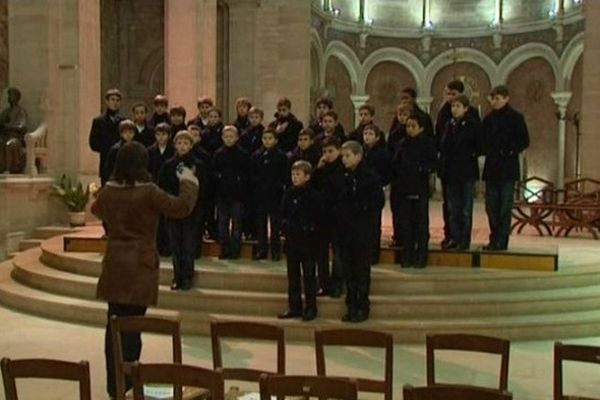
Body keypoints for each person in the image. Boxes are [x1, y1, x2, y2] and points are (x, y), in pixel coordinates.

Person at [90, 141, 198, 399]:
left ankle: (115, 386)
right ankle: (128, 386)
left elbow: (96, 209)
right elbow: (181, 207)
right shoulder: (148, 191)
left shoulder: (110, 190)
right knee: (132, 328)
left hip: (115, 262)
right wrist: (188, 180)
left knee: (113, 325)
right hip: (140, 264)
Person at [336, 140, 384, 323]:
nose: (344, 160)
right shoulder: (343, 176)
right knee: (348, 271)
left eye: (348, 156)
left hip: (363, 231)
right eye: (343, 157)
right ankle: (351, 306)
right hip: (345, 231)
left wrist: (359, 208)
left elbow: (377, 201)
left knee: (361, 271)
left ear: (358, 156)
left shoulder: (370, 177)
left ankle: (362, 306)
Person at [482, 85, 530, 251]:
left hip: (508, 169)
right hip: (492, 168)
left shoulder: (516, 118)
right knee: (491, 207)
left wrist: (509, 150)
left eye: (498, 98)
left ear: (506, 98)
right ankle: (493, 238)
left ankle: (502, 241)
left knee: (504, 208)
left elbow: (524, 140)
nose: (494, 102)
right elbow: (482, 141)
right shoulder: (488, 119)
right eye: (493, 98)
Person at [434, 79, 480, 248]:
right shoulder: (446, 119)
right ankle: (452, 236)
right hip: (450, 170)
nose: (452, 105)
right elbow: (440, 141)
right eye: (448, 95)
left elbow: (478, 143)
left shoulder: (473, 120)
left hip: (466, 170)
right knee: (452, 207)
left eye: (456, 102)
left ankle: (464, 240)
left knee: (465, 208)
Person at [158, 130, 205, 290]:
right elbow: (162, 188)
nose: (182, 146)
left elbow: (205, 188)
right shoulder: (168, 165)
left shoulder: (198, 165)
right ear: (175, 145)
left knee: (188, 245)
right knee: (175, 245)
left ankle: (187, 277)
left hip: (192, 212)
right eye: (179, 143)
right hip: (173, 210)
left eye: (186, 143)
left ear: (191, 145)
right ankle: (177, 277)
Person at [278, 160, 322, 321]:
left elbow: (318, 218)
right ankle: (294, 307)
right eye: (293, 174)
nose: (294, 177)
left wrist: (307, 227)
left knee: (309, 277)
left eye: (298, 174)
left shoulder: (314, 195)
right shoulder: (289, 193)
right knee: (293, 277)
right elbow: (283, 213)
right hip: (292, 242)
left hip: (308, 243)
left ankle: (311, 308)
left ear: (307, 176)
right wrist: (285, 226)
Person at [392, 113, 437, 268]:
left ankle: (421, 256)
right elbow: (395, 163)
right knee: (406, 223)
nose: (409, 129)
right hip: (404, 188)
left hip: (420, 187)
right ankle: (407, 255)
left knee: (420, 223)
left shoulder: (428, 144)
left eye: (413, 126)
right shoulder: (402, 143)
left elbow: (433, 163)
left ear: (421, 128)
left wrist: (420, 169)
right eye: (408, 126)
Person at [312, 136, 345, 298]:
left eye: (331, 151)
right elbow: (313, 188)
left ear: (339, 151)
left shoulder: (344, 169)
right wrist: (317, 169)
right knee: (321, 252)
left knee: (338, 252)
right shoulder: (321, 170)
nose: (327, 155)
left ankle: (338, 283)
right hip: (322, 216)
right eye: (325, 152)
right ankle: (323, 283)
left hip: (339, 216)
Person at [213, 125, 252, 259]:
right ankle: (224, 250)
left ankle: (235, 251)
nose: (229, 139)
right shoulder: (218, 154)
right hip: (222, 195)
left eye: (231, 136)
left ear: (236, 138)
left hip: (238, 196)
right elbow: (214, 174)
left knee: (237, 225)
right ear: (222, 138)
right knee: (222, 224)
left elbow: (247, 176)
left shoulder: (243, 155)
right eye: (226, 136)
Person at [252, 128, 288, 261]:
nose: (267, 141)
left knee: (275, 226)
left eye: (270, 138)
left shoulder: (281, 156)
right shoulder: (257, 155)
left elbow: (284, 176)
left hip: (275, 195)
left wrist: (278, 186)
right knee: (260, 225)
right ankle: (262, 250)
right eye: (265, 138)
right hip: (260, 195)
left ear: (276, 140)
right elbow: (253, 174)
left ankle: (276, 251)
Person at [362, 124, 392, 264]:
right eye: (365, 133)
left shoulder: (382, 153)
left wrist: (378, 182)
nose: (367, 137)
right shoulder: (361, 152)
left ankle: (374, 255)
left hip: (375, 192)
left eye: (370, 134)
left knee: (374, 225)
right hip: (361, 192)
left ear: (377, 137)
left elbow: (387, 173)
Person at [147, 122, 175, 257]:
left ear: (169, 136)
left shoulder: (174, 151)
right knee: (156, 220)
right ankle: (156, 247)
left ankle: (168, 247)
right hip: (154, 189)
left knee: (168, 220)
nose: (161, 137)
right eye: (158, 134)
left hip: (169, 190)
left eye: (164, 134)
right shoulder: (150, 151)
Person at [89, 88, 125, 186]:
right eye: (112, 100)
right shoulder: (98, 121)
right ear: (107, 101)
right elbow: (93, 143)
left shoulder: (124, 121)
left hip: (121, 164)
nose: (115, 103)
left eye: (117, 100)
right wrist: (107, 148)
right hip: (106, 162)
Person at [0, 87, 28, 173]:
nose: (9, 97)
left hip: (15, 137)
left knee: (10, 144)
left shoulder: (21, 111)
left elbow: (21, 126)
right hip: (4, 135)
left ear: (16, 97)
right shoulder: (5, 111)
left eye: (11, 95)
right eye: (9, 95)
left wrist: (8, 126)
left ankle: (8, 169)